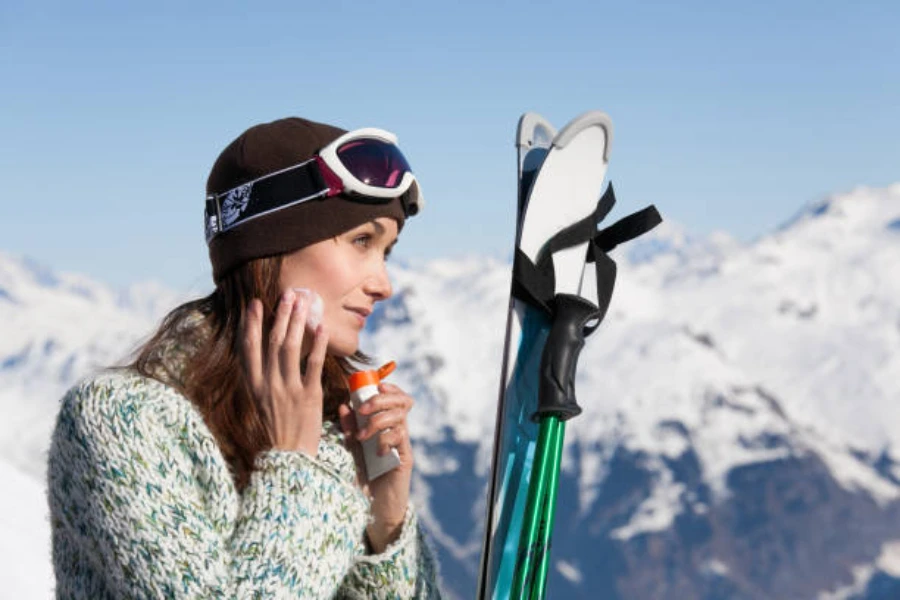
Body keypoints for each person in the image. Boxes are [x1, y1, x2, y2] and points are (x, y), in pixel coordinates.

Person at [47, 117, 442, 598]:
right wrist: (296, 468)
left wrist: (385, 518)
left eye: (387, 252)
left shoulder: (334, 422)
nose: (384, 284)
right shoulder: (121, 421)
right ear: (270, 245)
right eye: (362, 241)